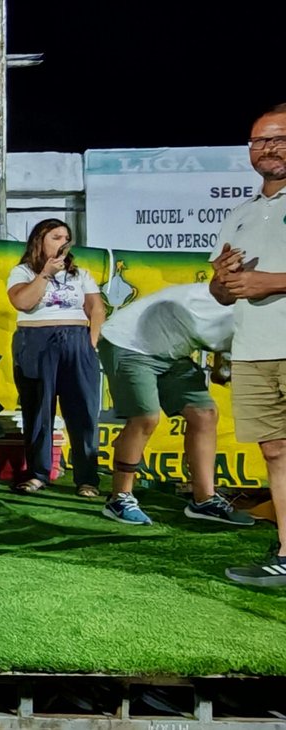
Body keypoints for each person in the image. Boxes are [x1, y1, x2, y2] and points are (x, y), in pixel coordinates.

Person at [208, 102, 286, 586]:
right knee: (275, 451)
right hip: (255, 350)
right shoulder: (240, 214)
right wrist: (223, 280)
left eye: (278, 138)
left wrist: (270, 282)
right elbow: (221, 293)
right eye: (259, 140)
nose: (268, 148)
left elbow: (260, 283)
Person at [97, 284, 250, 527]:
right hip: (129, 341)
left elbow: (226, 349)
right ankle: (119, 498)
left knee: (204, 414)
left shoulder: (258, 314)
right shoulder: (239, 299)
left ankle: (204, 500)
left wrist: (224, 366)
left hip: (172, 350)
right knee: (145, 418)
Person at [6, 219, 105, 497]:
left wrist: (90, 343)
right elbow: (22, 302)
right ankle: (38, 474)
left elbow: (97, 309)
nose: (63, 242)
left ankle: (87, 478)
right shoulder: (22, 272)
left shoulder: (80, 274)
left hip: (76, 341)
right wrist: (45, 274)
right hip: (35, 341)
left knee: (83, 411)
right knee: (38, 409)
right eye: (56, 237)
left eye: (66, 238)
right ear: (40, 241)